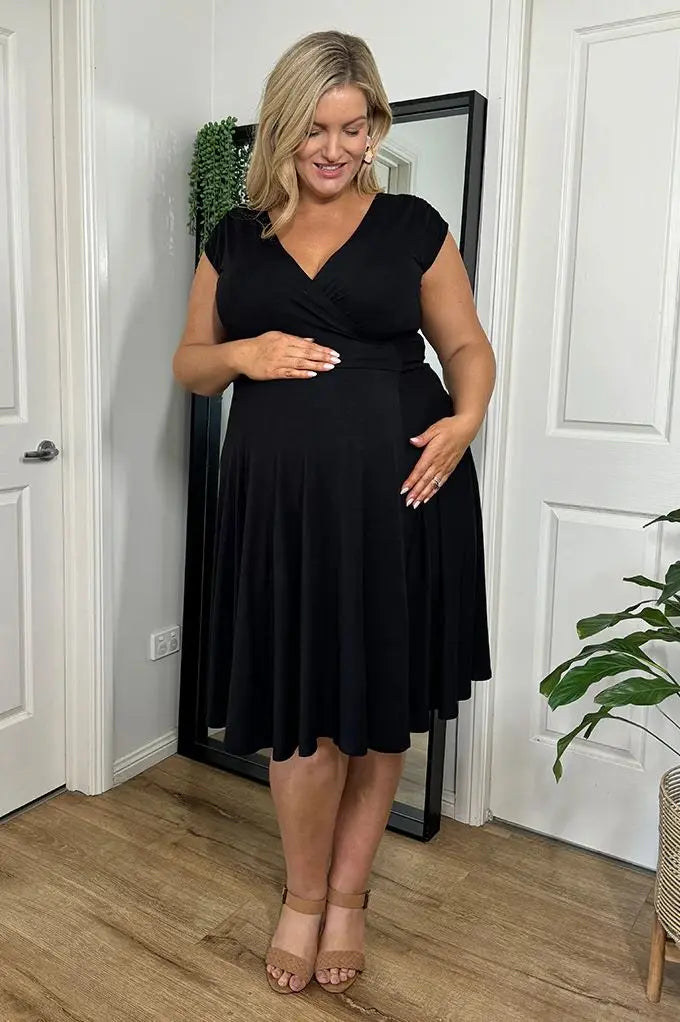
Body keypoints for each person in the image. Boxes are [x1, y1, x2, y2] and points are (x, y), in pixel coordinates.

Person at [173, 29, 496, 998]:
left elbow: (466, 346)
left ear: (375, 127)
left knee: (379, 712)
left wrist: (465, 420)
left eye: (354, 129)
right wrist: (245, 355)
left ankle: (349, 897)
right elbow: (190, 365)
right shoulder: (235, 238)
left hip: (402, 491)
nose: (335, 148)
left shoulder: (411, 224)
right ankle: (303, 894)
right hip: (279, 505)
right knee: (303, 719)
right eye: (316, 128)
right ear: (282, 127)